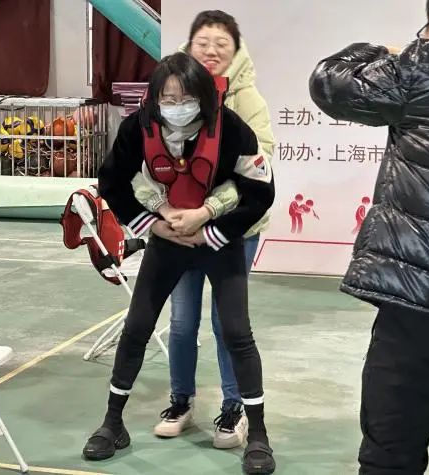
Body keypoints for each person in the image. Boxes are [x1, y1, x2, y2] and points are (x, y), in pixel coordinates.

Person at [309, 1, 429, 473]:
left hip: (421, 304)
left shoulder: (423, 66)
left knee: (390, 458)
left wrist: (388, 50)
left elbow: (330, 81)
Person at [83, 52, 277, 475]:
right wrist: (155, 224)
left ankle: (257, 434)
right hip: (167, 239)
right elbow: (112, 182)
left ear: (204, 98)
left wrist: (208, 225)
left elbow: (261, 191)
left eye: (186, 98)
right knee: (138, 327)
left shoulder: (233, 130)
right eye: (167, 99)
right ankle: (113, 423)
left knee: (236, 331)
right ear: (154, 99)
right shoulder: (138, 128)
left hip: (219, 240)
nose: (177, 106)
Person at [131, 10, 275, 449]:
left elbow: (260, 165)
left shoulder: (247, 100)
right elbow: (144, 159)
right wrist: (164, 213)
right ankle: (180, 400)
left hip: (231, 230)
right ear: (190, 46)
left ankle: (234, 409)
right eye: (203, 43)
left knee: (227, 324)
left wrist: (209, 210)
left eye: (221, 44)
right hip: (177, 229)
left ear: (235, 51)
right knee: (181, 320)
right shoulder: (167, 91)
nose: (211, 51)